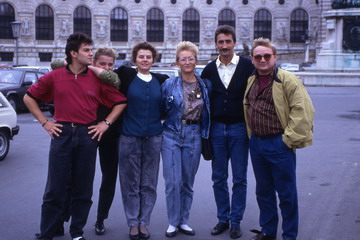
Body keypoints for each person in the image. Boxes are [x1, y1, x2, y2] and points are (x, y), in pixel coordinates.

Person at [23, 32, 127, 240]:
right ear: (73, 53)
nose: (91, 53)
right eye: (86, 50)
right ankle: (48, 232)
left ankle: (77, 232)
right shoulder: (55, 76)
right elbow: (29, 97)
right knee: (55, 188)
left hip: (87, 135)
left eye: (90, 49)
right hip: (61, 134)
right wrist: (45, 122)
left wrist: (105, 124)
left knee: (83, 187)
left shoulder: (96, 79)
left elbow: (120, 101)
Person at [244, 38, 314, 240]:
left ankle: (289, 235)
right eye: (258, 56)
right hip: (257, 143)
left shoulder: (287, 79)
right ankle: (267, 231)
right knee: (263, 192)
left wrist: (288, 139)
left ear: (274, 57)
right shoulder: (252, 80)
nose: (263, 59)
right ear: (253, 59)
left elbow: (302, 110)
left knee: (286, 194)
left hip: (279, 143)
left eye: (267, 56)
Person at [200, 25, 254, 239]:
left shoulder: (248, 66)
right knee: (219, 178)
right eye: (220, 42)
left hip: (240, 128)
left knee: (239, 178)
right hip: (216, 130)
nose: (224, 46)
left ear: (234, 43)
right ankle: (223, 218)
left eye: (227, 42)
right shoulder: (209, 70)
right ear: (216, 44)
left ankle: (235, 221)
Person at [115, 42, 168, 240]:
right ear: (135, 59)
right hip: (129, 137)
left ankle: (144, 222)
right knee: (130, 183)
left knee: (149, 183)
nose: (145, 60)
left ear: (153, 60)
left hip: (154, 137)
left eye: (148, 57)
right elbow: (102, 74)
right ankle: (132, 222)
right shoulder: (126, 76)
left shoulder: (161, 80)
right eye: (141, 57)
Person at [161, 41, 211, 238]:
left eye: (191, 58)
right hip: (172, 134)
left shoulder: (204, 84)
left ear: (196, 61)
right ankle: (173, 222)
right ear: (177, 63)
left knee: (187, 182)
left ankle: (183, 220)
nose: (187, 62)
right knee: (173, 181)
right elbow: (160, 109)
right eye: (184, 59)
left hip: (194, 134)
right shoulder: (169, 84)